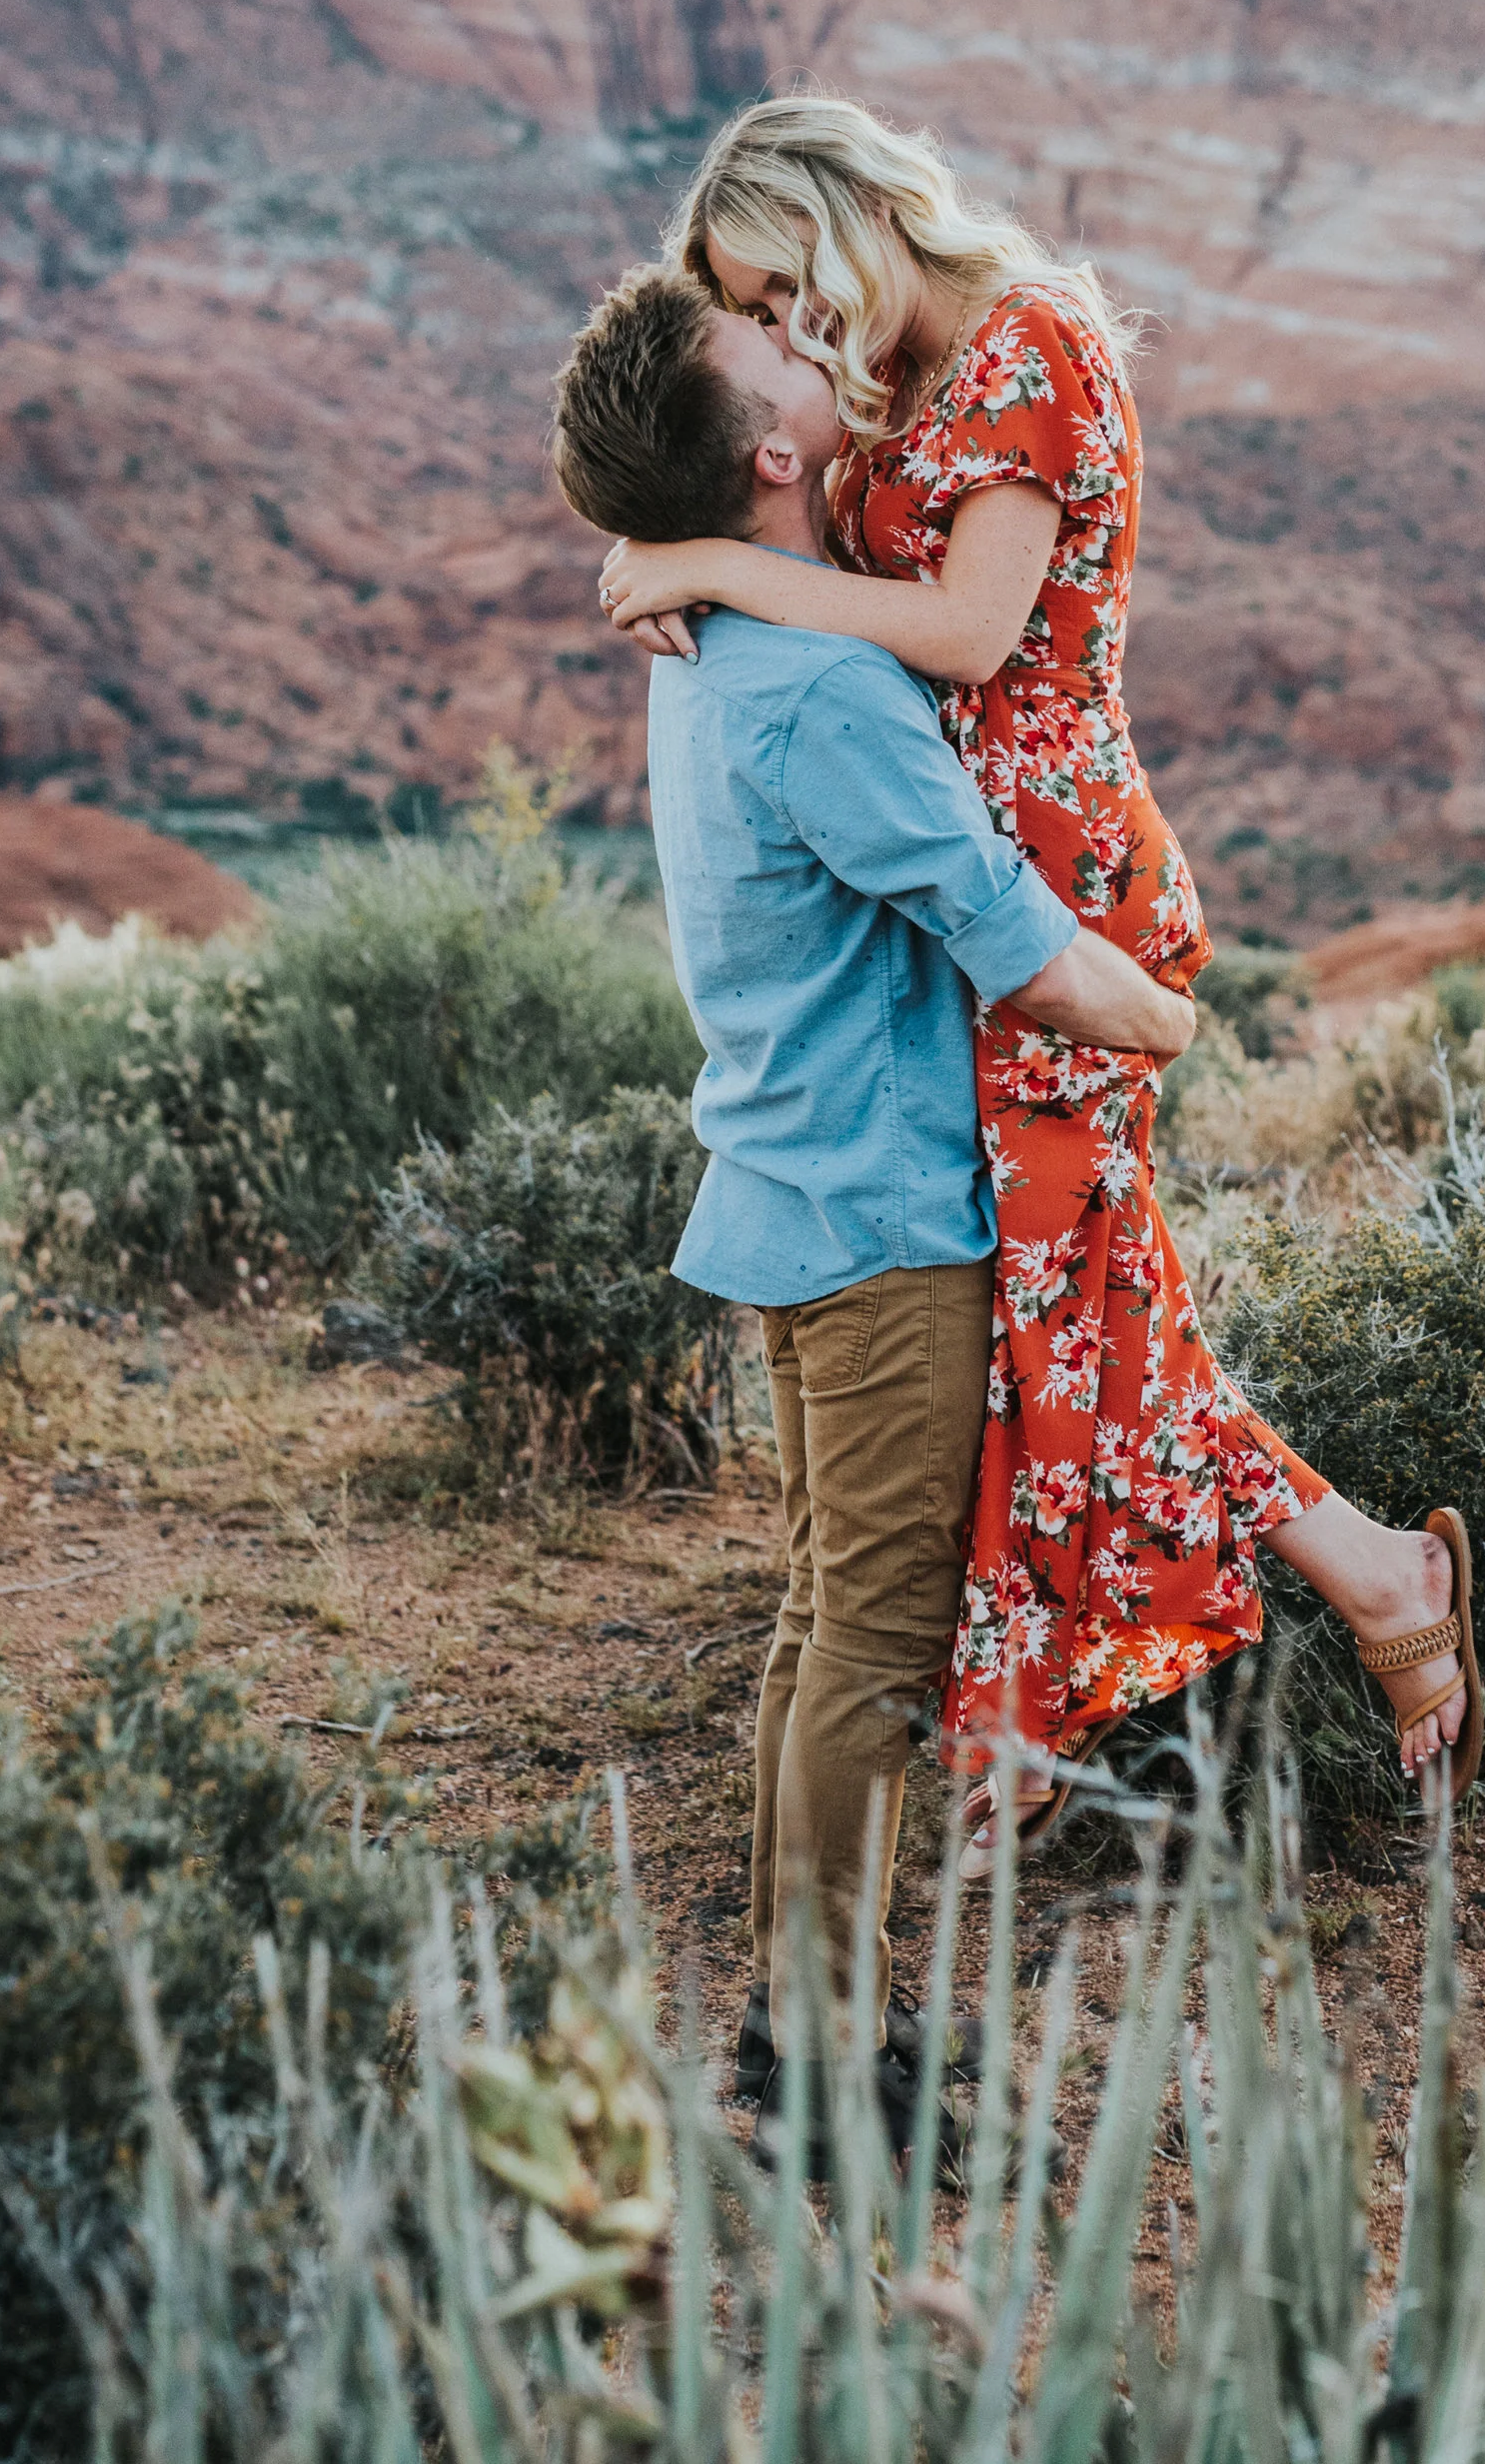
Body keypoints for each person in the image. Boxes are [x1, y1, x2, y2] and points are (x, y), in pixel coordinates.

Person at [595, 96, 1484, 1862]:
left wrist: (704, 563)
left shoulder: (1028, 343)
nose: (777, 340)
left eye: (776, 296)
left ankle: (1324, 1609)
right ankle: (1345, 1592)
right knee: (1071, 1311)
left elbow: (971, 637)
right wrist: (699, 534)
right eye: (755, 320)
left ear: (846, 217)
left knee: (1073, 1314)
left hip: (1053, 889)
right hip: (958, 887)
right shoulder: (898, 376)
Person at [551, 261, 1201, 2159]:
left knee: (823, 1620)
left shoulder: (727, 649)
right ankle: (825, 2069)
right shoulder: (822, 688)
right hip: (882, 1225)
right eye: (765, 341)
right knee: (875, 1646)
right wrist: (1167, 1010)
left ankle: (798, 2024)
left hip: (789, 1192)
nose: (800, 337)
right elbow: (1015, 943)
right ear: (767, 447)